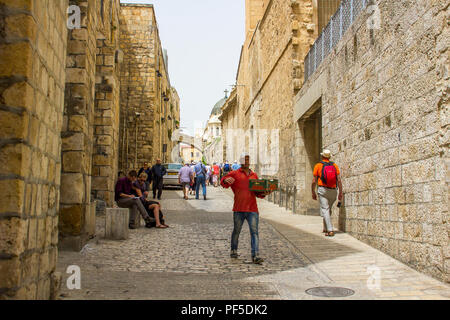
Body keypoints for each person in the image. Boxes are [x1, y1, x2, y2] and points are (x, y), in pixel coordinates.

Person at [221, 153, 271, 264]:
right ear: (241, 161)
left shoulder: (254, 175)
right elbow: (224, 181)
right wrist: (224, 181)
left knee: (254, 232)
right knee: (236, 231)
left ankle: (255, 255)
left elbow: (258, 193)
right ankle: (233, 250)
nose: (247, 162)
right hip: (239, 208)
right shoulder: (235, 173)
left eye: (248, 159)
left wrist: (264, 193)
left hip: (252, 209)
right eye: (245, 160)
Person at [311, 149, 343, 237]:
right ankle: (325, 228)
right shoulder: (335, 166)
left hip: (323, 190)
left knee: (325, 209)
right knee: (328, 209)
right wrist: (340, 192)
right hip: (333, 191)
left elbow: (314, 181)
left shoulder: (318, 166)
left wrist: (313, 191)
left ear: (322, 156)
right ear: (329, 157)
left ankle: (330, 230)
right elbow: (339, 180)